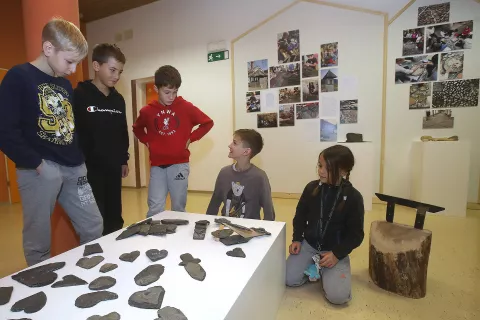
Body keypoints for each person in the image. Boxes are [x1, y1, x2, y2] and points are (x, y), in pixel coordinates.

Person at [0, 18, 103, 266]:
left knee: (94, 225)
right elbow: (5, 130)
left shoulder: (64, 84)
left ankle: (88, 276)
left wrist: (80, 161)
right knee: (39, 241)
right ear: (48, 49)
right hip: (39, 169)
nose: (72, 69)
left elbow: (68, 125)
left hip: (74, 167)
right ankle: (40, 289)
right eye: (69, 61)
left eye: (77, 62)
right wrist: (38, 166)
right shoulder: (18, 77)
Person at [285, 145, 364, 305]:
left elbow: (356, 235)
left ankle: (324, 269)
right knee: (288, 279)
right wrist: (297, 239)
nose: (321, 171)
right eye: (320, 165)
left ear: (343, 171)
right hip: (309, 244)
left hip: (334, 250)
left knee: (338, 298)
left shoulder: (354, 197)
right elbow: (300, 216)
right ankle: (315, 268)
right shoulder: (311, 188)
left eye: (327, 168)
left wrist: (337, 254)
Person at [133, 65, 214, 217]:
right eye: (167, 92)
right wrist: (147, 141)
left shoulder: (186, 107)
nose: (171, 96)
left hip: (179, 165)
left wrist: (191, 138)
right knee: (155, 207)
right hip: (157, 166)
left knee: (178, 207)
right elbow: (137, 128)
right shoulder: (147, 111)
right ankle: (154, 238)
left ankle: (178, 238)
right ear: (156, 89)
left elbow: (207, 123)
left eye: (175, 92)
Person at [73, 44, 129, 235]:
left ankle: (115, 255)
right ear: (96, 66)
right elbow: (74, 132)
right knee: (95, 217)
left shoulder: (118, 100)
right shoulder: (79, 95)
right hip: (89, 169)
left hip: (113, 168)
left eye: (120, 72)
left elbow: (123, 131)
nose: (116, 76)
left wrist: (124, 159)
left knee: (114, 216)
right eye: (112, 70)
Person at [206, 129, 275, 221]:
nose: (229, 145)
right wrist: (207, 223)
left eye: (234, 143)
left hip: (249, 230)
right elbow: (214, 203)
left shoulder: (259, 177)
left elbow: (268, 211)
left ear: (246, 152)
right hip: (225, 227)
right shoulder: (224, 173)